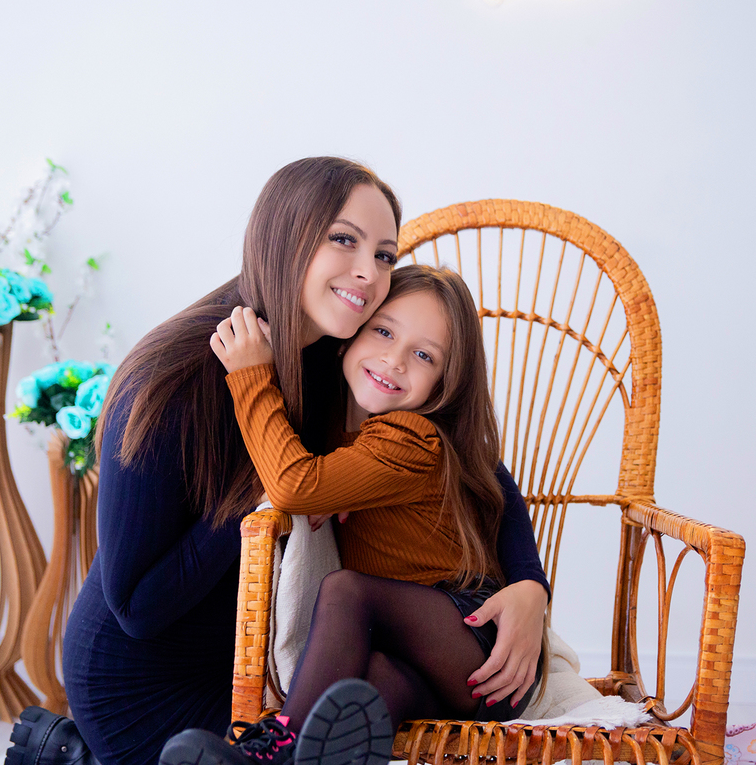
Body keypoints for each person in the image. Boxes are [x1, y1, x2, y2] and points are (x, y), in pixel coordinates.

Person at [5, 158, 549, 765]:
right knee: (306, 744)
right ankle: (86, 753)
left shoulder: (344, 355)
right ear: (284, 236)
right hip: (144, 685)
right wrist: (271, 495)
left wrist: (530, 584)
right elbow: (136, 611)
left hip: (271, 671)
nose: (368, 273)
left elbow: (469, 462)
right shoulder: (173, 381)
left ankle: (68, 757)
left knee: (347, 727)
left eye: (386, 255)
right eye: (344, 240)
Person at [160, 265, 546, 765]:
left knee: (346, 590)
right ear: (349, 336)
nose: (394, 359)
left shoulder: (413, 437)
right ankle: (304, 757)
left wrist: (251, 373)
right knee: (368, 692)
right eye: (384, 331)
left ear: (444, 386)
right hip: (434, 675)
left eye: (424, 355)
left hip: (481, 645)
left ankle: (273, 747)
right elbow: (311, 478)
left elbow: (295, 485)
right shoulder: (340, 431)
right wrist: (335, 484)